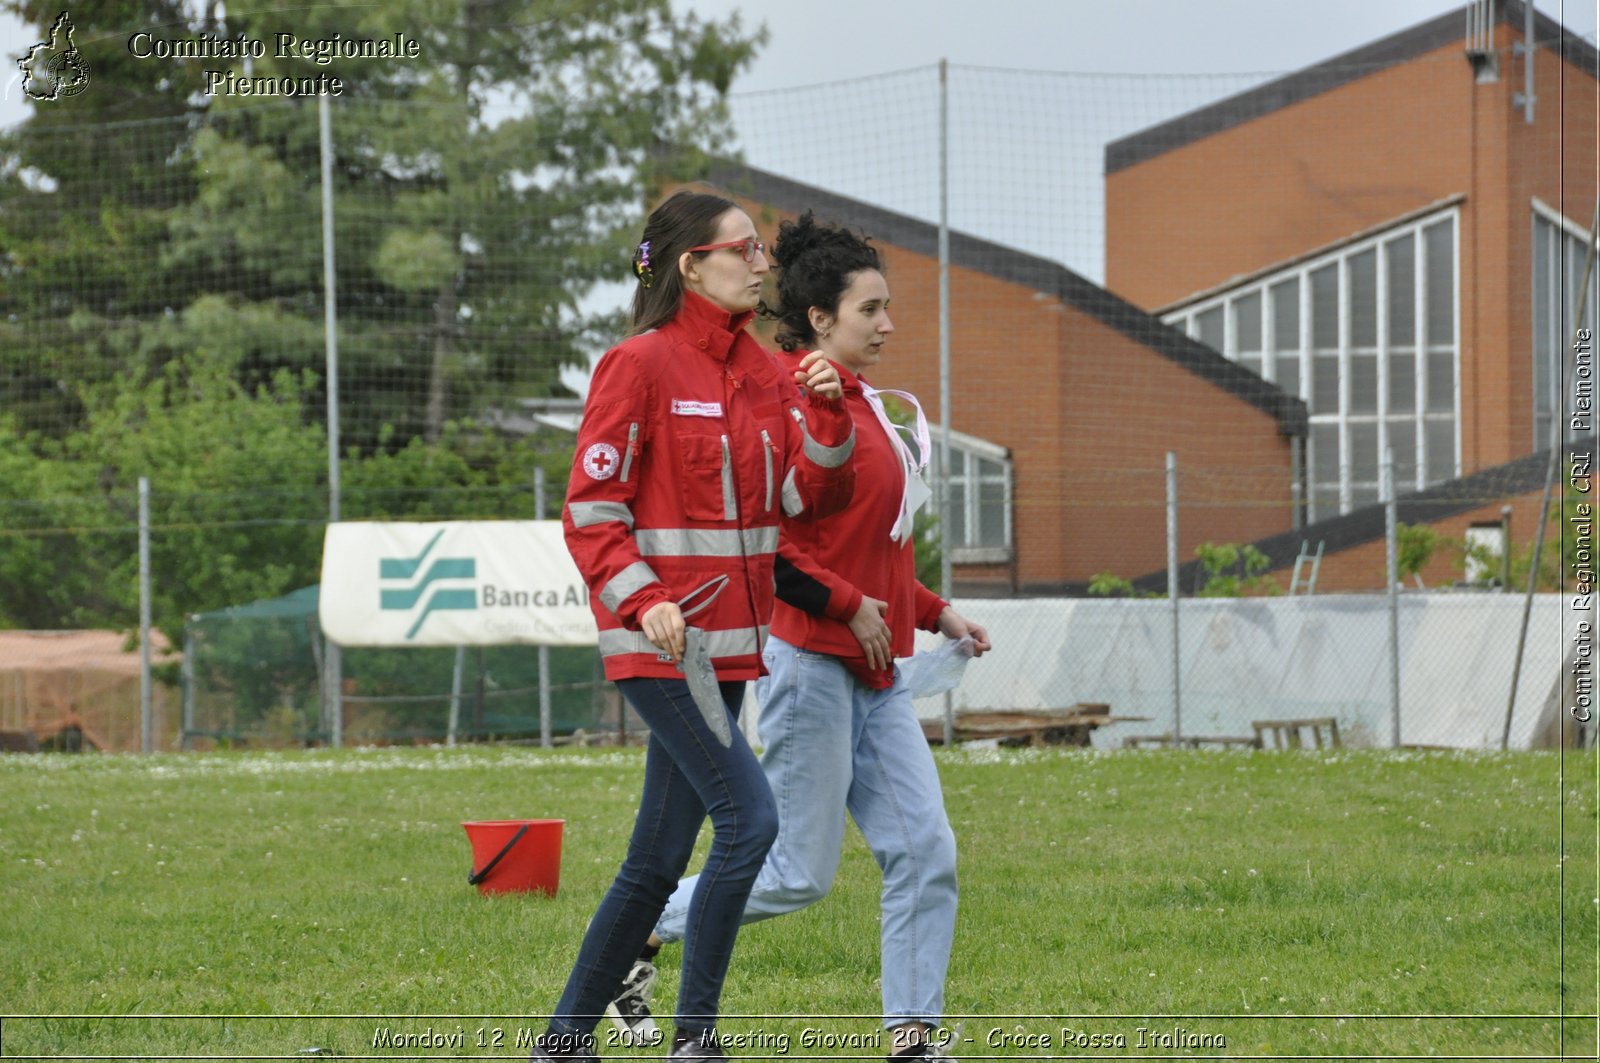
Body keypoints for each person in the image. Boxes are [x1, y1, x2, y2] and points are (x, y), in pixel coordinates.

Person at [605, 212, 991, 1061]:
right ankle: (640, 932)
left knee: (926, 850)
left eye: (888, 309)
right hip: (809, 665)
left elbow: (873, 546)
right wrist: (849, 605)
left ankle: (914, 1039)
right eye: (871, 310)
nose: (888, 324)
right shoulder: (779, 393)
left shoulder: (864, 408)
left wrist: (933, 610)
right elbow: (767, 547)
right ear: (820, 319)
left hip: (878, 676)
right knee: (793, 874)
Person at [536, 191, 857, 1063]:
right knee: (750, 821)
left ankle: (563, 1044)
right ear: (692, 265)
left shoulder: (765, 371)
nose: (762, 261)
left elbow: (809, 502)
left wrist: (827, 414)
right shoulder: (636, 365)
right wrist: (645, 598)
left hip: (735, 650)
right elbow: (591, 510)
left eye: (759, 249)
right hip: (665, 645)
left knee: (656, 860)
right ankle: (696, 1042)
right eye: (744, 247)